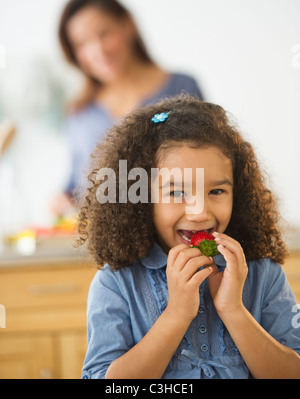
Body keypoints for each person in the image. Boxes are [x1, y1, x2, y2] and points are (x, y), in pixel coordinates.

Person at [77, 95, 300, 379]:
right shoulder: (116, 283)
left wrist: (233, 310)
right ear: (142, 199)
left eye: (216, 191)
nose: (199, 212)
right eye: (177, 193)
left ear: (238, 194)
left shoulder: (263, 275)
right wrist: (177, 314)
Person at [52, 0, 204, 216]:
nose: (98, 51)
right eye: (81, 44)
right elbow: (76, 184)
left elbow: (205, 167)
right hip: (97, 244)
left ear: (128, 25)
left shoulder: (183, 88)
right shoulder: (80, 113)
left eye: (104, 34)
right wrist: (62, 199)